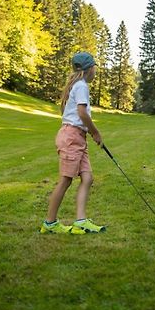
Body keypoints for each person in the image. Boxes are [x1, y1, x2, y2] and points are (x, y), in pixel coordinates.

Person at [40, 52, 106, 235]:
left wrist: (88, 133)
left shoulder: (78, 86)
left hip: (78, 138)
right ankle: (50, 223)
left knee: (87, 178)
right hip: (71, 137)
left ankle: (81, 221)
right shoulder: (81, 86)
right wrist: (96, 132)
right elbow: (82, 113)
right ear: (88, 69)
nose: (95, 71)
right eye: (94, 67)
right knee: (66, 180)